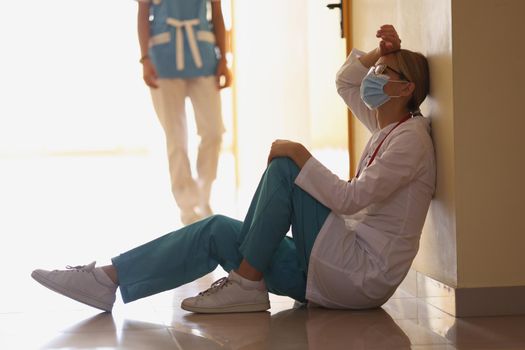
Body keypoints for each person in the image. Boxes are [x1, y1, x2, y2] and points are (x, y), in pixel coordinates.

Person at [31, 24, 435, 314]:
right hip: (330, 270)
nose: (372, 77)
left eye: (383, 73)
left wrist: (300, 154)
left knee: (283, 167)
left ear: (405, 89)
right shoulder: (388, 126)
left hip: (360, 274)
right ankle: (108, 279)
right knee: (217, 228)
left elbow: (351, 200)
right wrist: (375, 55)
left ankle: (245, 283)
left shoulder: (410, 140)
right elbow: (347, 82)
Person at [138, 0, 232, 225]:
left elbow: (217, 14)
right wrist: (144, 59)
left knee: (213, 132)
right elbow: (143, 13)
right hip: (163, 59)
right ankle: (187, 208)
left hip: (203, 56)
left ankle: (203, 195)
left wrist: (224, 60)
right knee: (176, 139)